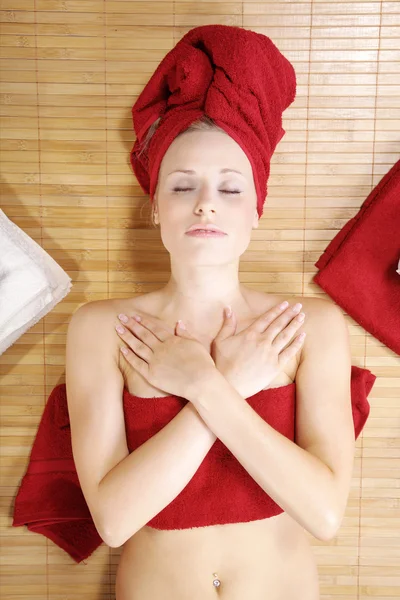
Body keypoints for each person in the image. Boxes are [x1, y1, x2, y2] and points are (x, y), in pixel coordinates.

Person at [65, 26, 356, 600]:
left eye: (229, 188)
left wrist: (208, 384)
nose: (205, 203)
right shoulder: (100, 329)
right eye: (182, 186)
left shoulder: (309, 328)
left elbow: (324, 514)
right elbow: (115, 520)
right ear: (155, 207)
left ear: (256, 208)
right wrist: (220, 385)